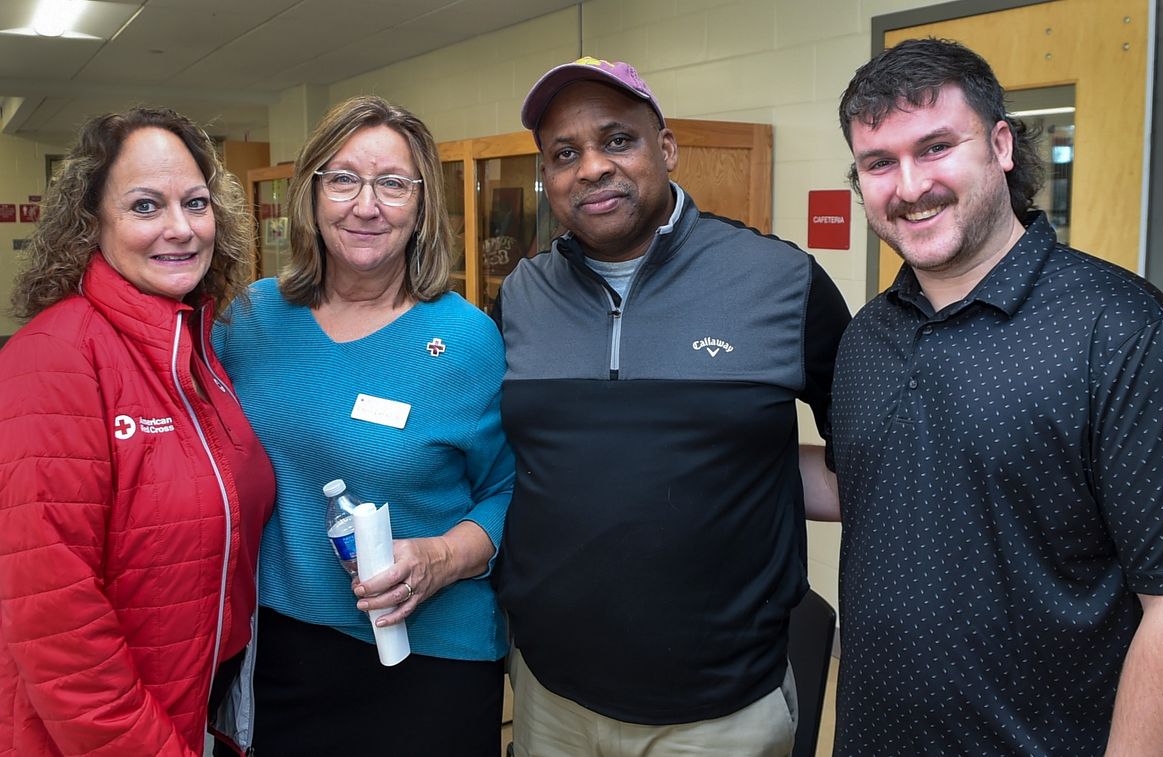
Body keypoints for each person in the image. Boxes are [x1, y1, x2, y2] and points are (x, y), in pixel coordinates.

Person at [830, 37, 1163, 755]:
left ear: (1001, 145)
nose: (908, 187)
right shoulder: (867, 336)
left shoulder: (1124, 332)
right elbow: (881, 490)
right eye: (880, 162)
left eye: (936, 147)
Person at [493, 56, 850, 756]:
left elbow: (866, 452)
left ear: (667, 148)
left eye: (617, 139)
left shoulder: (780, 281)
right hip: (548, 696)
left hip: (722, 710)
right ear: (546, 178)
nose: (591, 167)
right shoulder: (520, 297)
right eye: (565, 154)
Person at [213, 95, 514, 756]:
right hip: (279, 654)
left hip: (430, 658)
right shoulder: (250, 321)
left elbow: (508, 491)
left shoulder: (467, 340)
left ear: (422, 202)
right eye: (344, 178)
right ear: (312, 193)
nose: (367, 205)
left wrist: (441, 557)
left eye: (393, 184)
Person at [0, 107, 275, 756]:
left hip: (201, 706)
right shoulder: (53, 359)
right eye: (146, 205)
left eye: (196, 202)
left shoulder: (198, 350)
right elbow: (58, 632)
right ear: (92, 223)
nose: (180, 229)